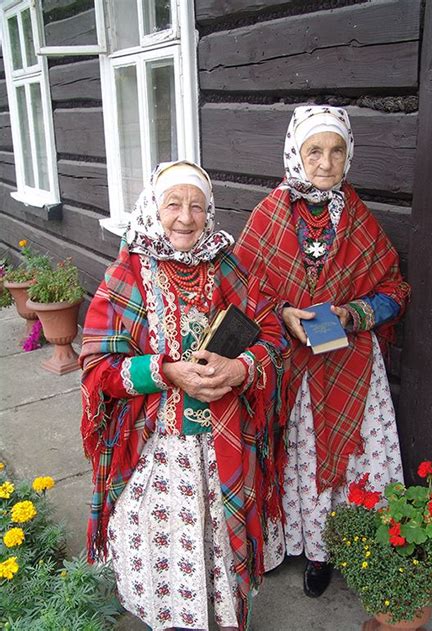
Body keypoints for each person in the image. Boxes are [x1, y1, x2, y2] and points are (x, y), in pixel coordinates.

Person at [80, 161, 287, 631]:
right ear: (155, 208)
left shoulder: (230, 265)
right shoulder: (126, 274)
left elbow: (272, 334)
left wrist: (240, 367)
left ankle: (221, 617)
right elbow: (98, 367)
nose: (186, 217)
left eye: (197, 206)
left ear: (209, 211)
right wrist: (166, 371)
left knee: (219, 543)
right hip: (155, 444)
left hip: (223, 441)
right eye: (173, 204)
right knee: (163, 545)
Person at [234, 105, 411, 598]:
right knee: (297, 456)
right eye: (315, 150)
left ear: (348, 155)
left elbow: (394, 290)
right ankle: (299, 545)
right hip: (291, 369)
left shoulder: (356, 217)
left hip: (349, 364)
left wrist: (353, 314)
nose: (326, 162)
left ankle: (339, 551)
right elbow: (244, 288)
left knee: (350, 459)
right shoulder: (269, 215)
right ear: (295, 152)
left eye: (337, 151)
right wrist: (286, 312)